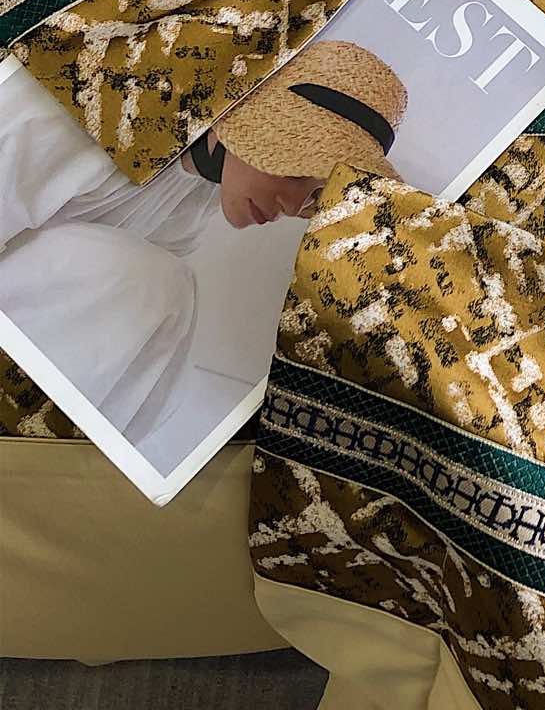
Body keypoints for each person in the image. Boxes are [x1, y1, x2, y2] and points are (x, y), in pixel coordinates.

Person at [0, 41, 407, 441]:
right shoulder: (96, 111)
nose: (294, 205)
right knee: (153, 283)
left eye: (318, 194)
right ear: (259, 124)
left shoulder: (194, 199)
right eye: (296, 170)